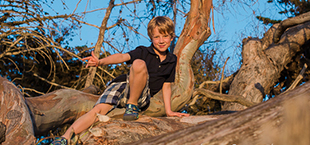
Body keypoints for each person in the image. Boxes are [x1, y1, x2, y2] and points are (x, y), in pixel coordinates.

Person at [51, 16, 189, 145]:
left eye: (165, 36)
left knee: (139, 64)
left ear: (171, 37)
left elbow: (166, 85)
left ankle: (132, 105)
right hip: (121, 85)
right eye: (156, 37)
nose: (161, 40)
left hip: (141, 94)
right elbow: (122, 57)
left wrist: (169, 111)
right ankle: (64, 139)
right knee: (97, 110)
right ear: (151, 38)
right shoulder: (143, 51)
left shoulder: (172, 60)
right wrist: (100, 62)